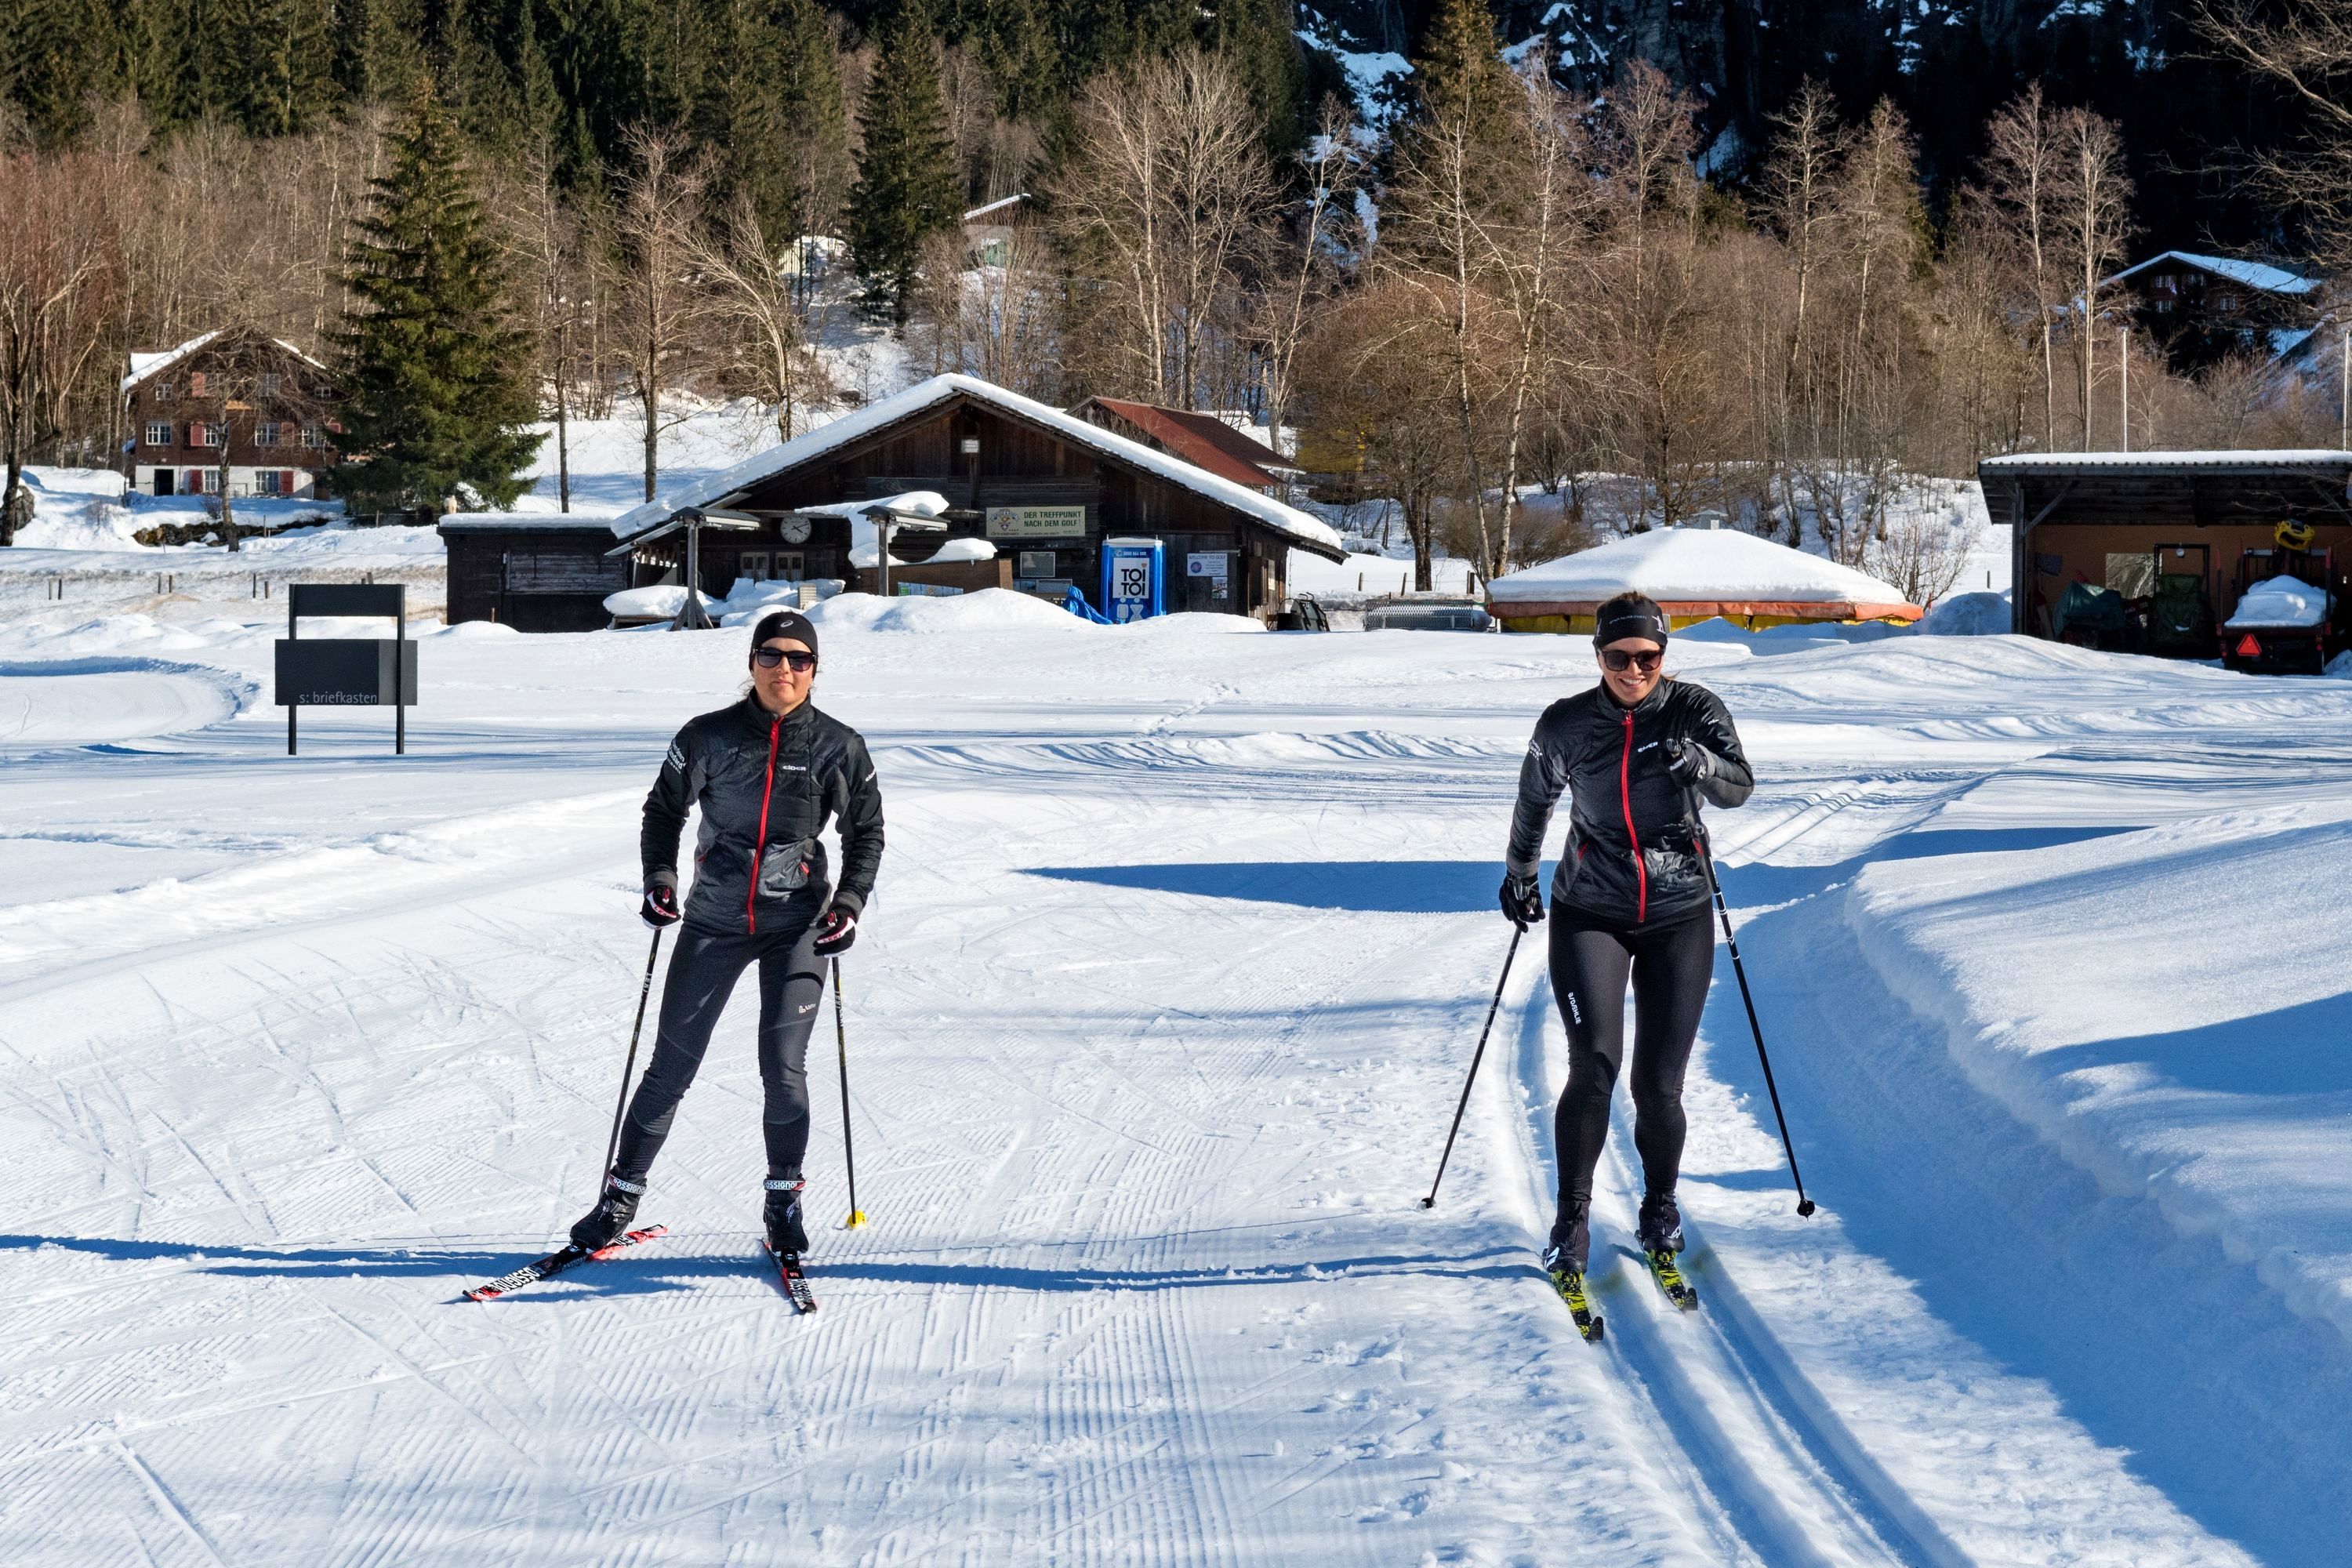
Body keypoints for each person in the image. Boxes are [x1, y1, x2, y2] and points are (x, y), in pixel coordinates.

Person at [569, 609, 884, 1260]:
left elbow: (866, 833)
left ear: (815, 671)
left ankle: (783, 1198)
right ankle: (621, 1196)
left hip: (798, 925)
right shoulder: (707, 736)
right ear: (751, 663)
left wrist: (848, 903)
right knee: (670, 1068)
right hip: (714, 920)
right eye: (771, 655)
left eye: (799, 659)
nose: (784, 669)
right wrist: (660, 878)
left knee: (783, 1070)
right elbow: (663, 810)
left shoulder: (839, 746)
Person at [1500, 591, 1751, 1291]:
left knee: (1658, 1085)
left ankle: (1660, 1207)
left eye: (1648, 656)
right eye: (1619, 657)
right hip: (1592, 909)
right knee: (1596, 1067)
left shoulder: (1694, 709)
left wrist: (1699, 765)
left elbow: (1741, 785)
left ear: (1664, 655)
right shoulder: (1567, 724)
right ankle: (1571, 1221)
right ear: (1599, 656)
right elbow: (1534, 800)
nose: (1634, 669)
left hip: (1679, 911)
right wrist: (1520, 871)